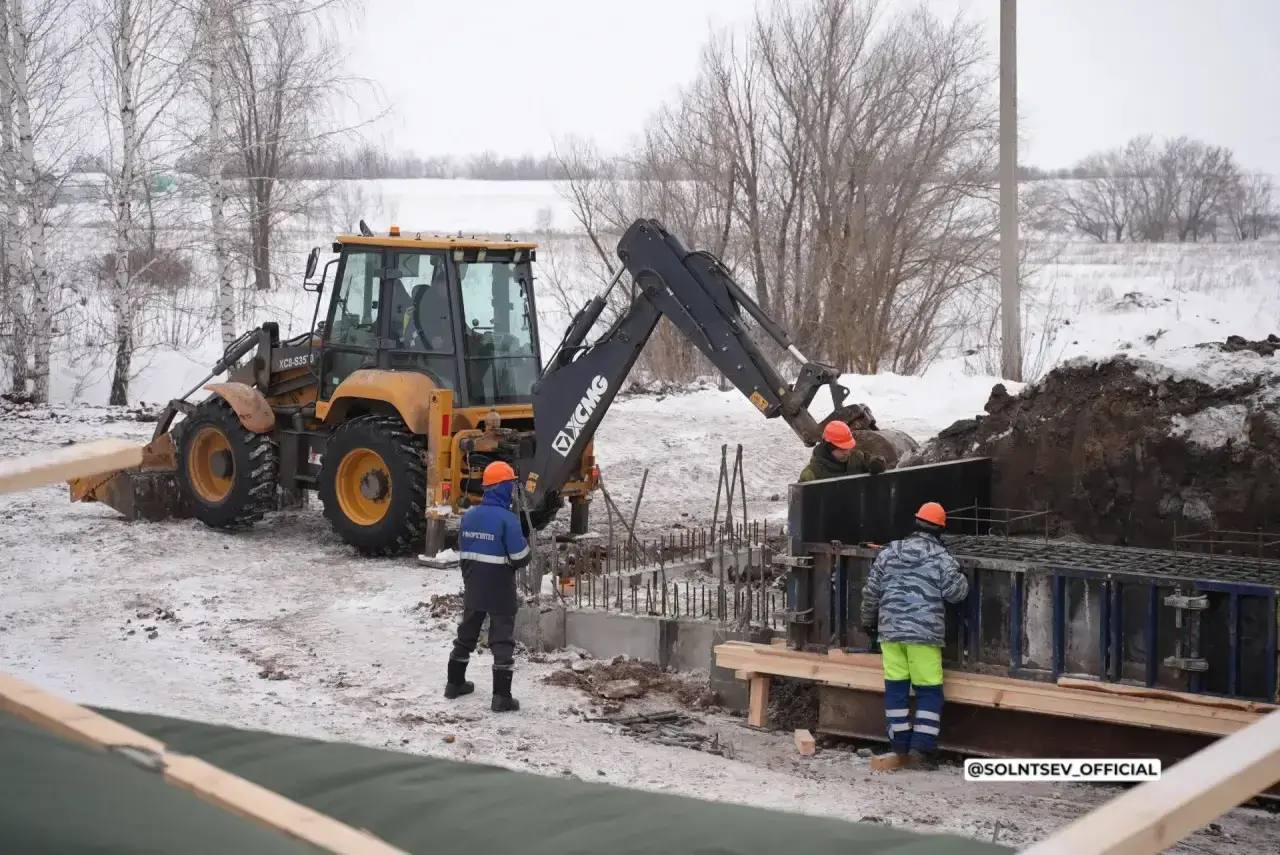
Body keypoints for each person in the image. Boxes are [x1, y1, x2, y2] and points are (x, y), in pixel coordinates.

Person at [859, 502, 969, 769]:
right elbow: (957, 594)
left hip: (890, 633)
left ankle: (899, 746)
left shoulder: (889, 552)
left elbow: (871, 592)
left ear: (915, 523)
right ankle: (922, 750)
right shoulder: (941, 558)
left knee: (896, 688)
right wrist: (961, 574)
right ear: (941, 528)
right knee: (929, 690)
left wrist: (868, 622)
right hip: (924, 635)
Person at [444, 461, 531, 712]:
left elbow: (464, 551)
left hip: (473, 583)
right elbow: (520, 557)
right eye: (511, 485)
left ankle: (454, 683)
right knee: (502, 639)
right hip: (500, 586)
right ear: (503, 488)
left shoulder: (469, 516)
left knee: (467, 633)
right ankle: (501, 697)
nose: (513, 490)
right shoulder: (508, 519)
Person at [798, 421, 886, 482]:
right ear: (829, 447)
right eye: (842, 449)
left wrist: (878, 463)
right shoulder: (811, 474)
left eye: (848, 447)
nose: (847, 452)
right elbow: (801, 504)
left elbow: (875, 461)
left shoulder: (858, 458)